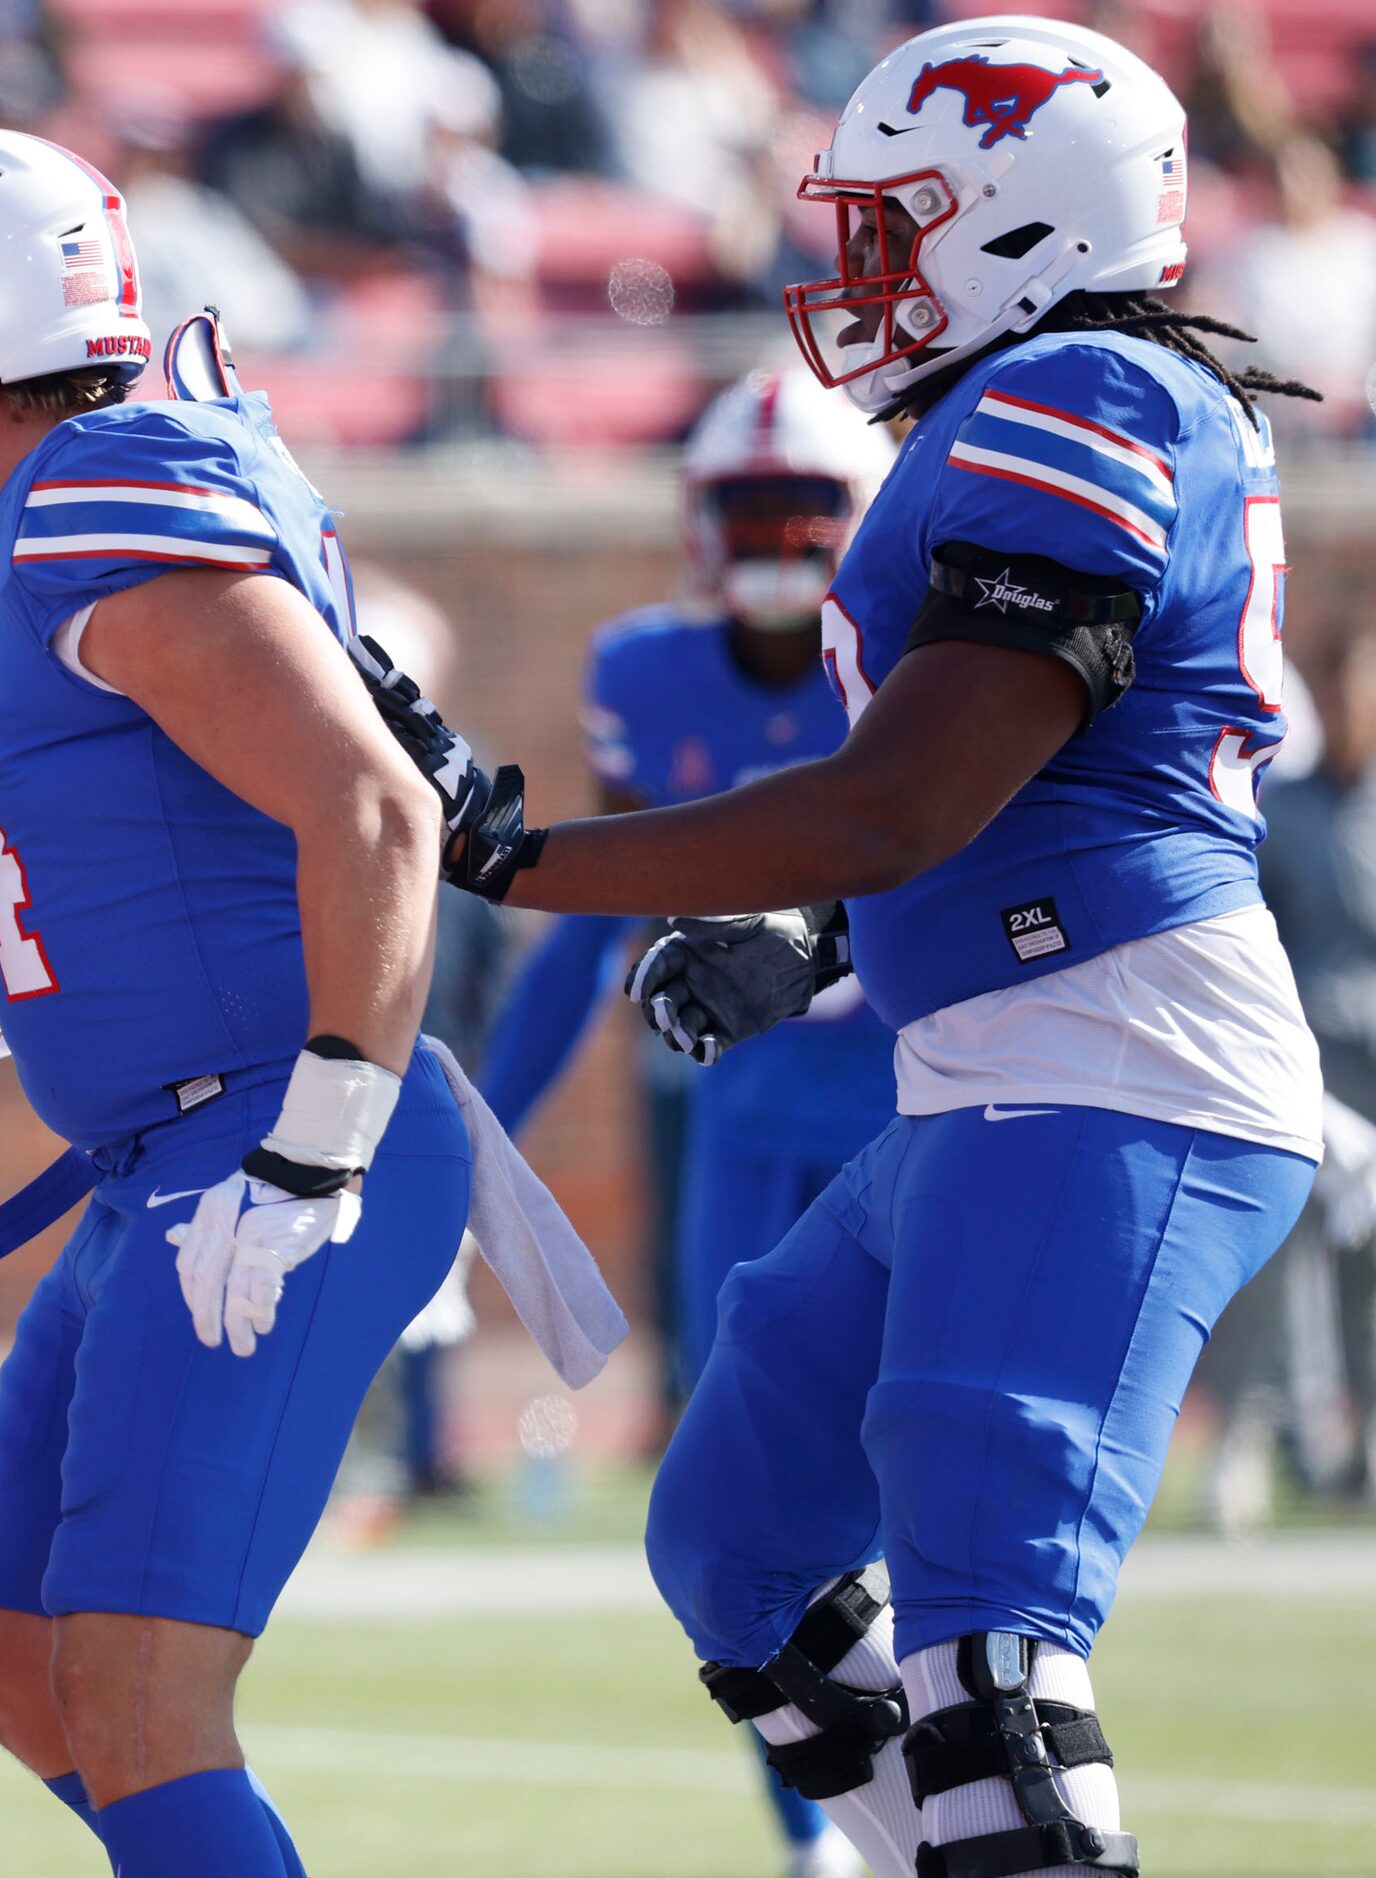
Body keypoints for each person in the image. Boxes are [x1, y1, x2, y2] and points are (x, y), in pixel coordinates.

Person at [430, 21, 1325, 1877]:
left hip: (1118, 1055)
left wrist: (517, 859)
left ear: (1024, 219)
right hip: (996, 1057)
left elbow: (900, 798)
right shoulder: (1043, 398)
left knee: (987, 1661)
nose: (867, 267)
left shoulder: (1082, 395)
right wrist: (820, 921)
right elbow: (960, 792)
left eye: (906, 221)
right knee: (737, 1547)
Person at [0, 129, 561, 1878]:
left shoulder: (98, 485)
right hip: (169, 1150)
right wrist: (15, 950)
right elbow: (193, 809)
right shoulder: (78, 497)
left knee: (136, 1690)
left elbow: (370, 807)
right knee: (14, 1655)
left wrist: (318, 1145)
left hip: (259, 1140)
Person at [478, 364, 894, 1878]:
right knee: (738, 1488)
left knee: (907, 1459)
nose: (779, 543)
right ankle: (816, 1832)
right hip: (745, 1128)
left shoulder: (916, 656)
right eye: (752, 511)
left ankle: (939, 1793)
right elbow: (590, 922)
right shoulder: (648, 671)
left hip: (913, 1112)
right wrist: (484, 1128)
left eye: (808, 513)